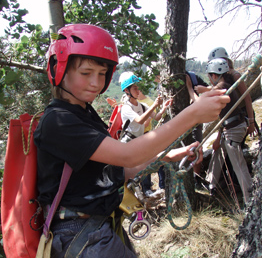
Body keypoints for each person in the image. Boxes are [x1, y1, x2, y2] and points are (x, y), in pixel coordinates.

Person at [33, 24, 230, 258]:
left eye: (102, 73)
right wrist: (193, 114)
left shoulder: (84, 115)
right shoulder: (58, 121)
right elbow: (127, 155)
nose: (96, 83)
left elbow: (119, 169)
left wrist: (169, 155)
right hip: (80, 233)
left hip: (94, 228)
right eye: (86, 73)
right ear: (59, 69)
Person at [204, 58, 252, 204]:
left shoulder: (222, 86)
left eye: (210, 77)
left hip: (233, 129)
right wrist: (219, 138)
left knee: (239, 165)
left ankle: (250, 199)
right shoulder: (227, 84)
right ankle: (210, 183)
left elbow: (204, 102)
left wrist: (193, 91)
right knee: (218, 152)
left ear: (214, 75)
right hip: (232, 127)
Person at [120, 72, 172, 197]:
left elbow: (157, 116)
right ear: (127, 91)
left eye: (138, 88)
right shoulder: (126, 108)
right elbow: (140, 120)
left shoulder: (141, 105)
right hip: (128, 142)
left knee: (142, 167)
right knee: (129, 171)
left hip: (137, 141)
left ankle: (141, 193)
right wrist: (154, 104)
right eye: (134, 88)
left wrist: (163, 107)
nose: (138, 90)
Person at [207, 47, 258, 139]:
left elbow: (247, 98)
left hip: (242, 113)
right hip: (234, 114)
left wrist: (251, 121)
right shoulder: (225, 77)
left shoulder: (235, 75)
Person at [185, 71, 208, 189]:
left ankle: (196, 179)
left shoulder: (193, 78)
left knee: (196, 149)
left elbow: (210, 89)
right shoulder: (165, 83)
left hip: (194, 122)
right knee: (193, 150)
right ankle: (194, 180)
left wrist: (201, 89)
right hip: (187, 122)